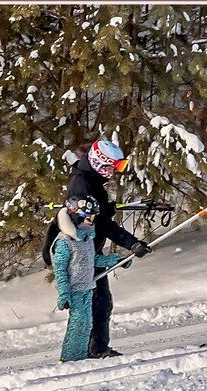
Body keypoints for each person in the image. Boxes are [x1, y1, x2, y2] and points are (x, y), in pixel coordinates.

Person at [65, 139, 152, 358]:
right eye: (112, 167)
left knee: (100, 303)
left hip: (90, 252)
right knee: (96, 304)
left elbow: (98, 217)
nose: (114, 172)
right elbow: (101, 224)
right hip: (82, 256)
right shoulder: (84, 186)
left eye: (118, 167)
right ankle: (92, 351)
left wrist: (105, 209)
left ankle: (94, 349)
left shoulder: (89, 181)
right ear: (99, 163)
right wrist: (131, 243)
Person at [53, 196, 125, 362]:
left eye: (93, 217)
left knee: (87, 323)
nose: (92, 221)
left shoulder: (86, 240)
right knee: (78, 323)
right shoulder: (64, 243)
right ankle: (69, 358)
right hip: (74, 291)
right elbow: (60, 270)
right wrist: (64, 293)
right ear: (76, 217)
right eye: (88, 217)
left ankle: (81, 356)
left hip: (87, 288)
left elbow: (92, 260)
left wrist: (115, 260)